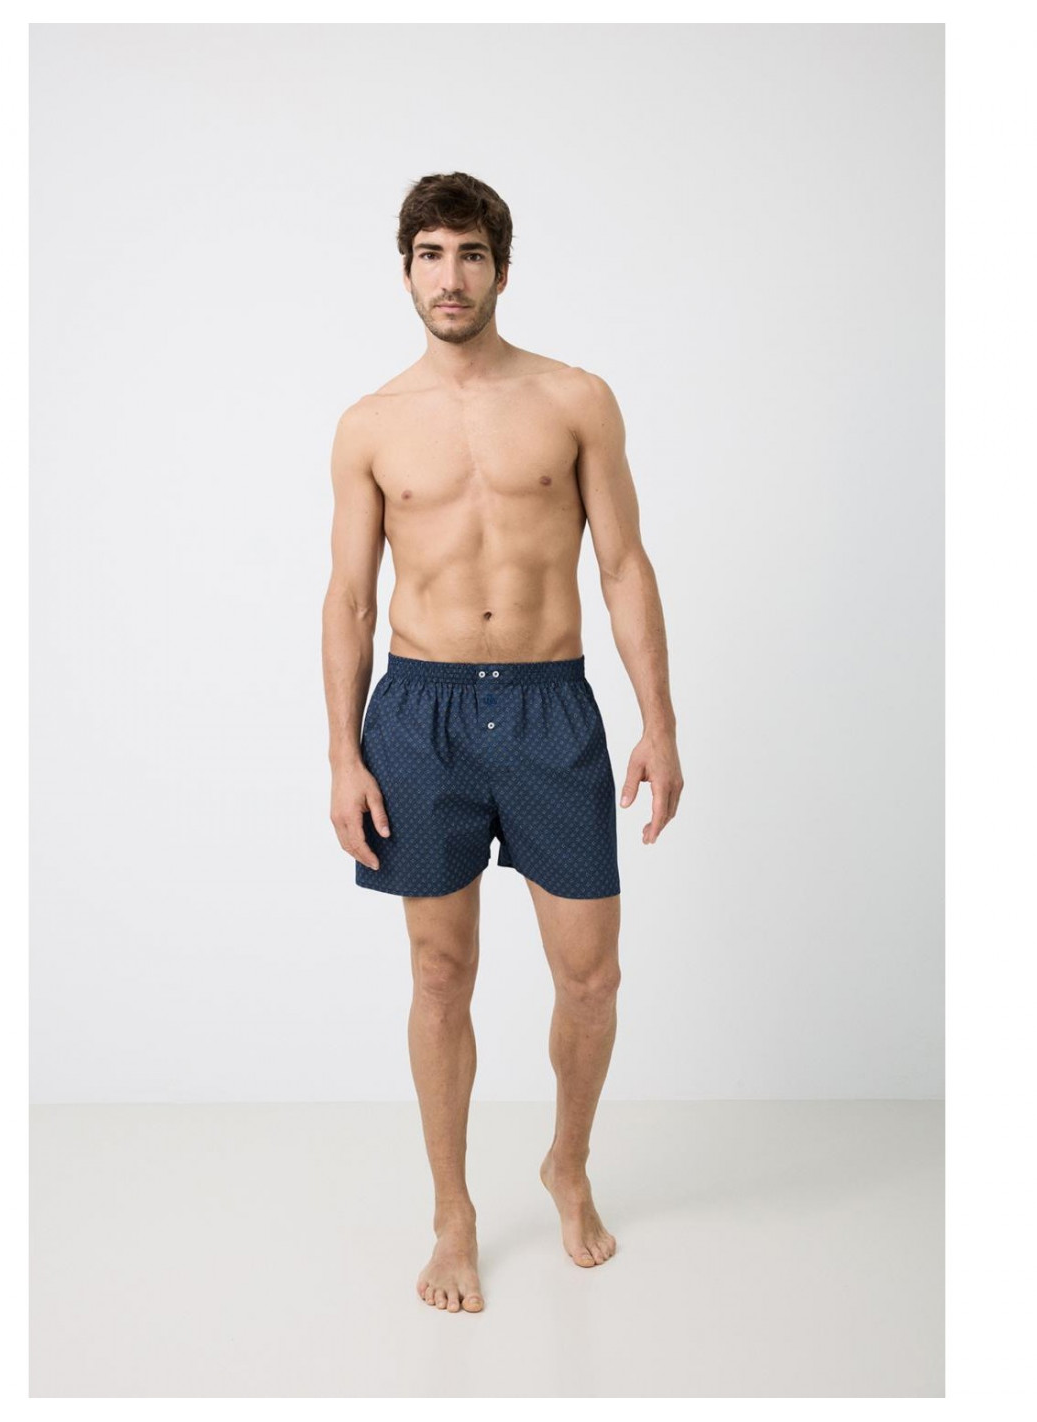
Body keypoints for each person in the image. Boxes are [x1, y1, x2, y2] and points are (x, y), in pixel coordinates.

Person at [322, 172, 683, 1314]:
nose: (451, 276)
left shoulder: (575, 399)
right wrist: (342, 755)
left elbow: (622, 565)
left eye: (470, 254)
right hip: (419, 713)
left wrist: (659, 722)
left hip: (548, 708)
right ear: (405, 272)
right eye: (430, 254)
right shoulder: (370, 424)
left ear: (501, 270)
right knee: (440, 973)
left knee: (591, 976)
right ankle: (453, 1214)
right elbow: (348, 600)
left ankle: (566, 1165)